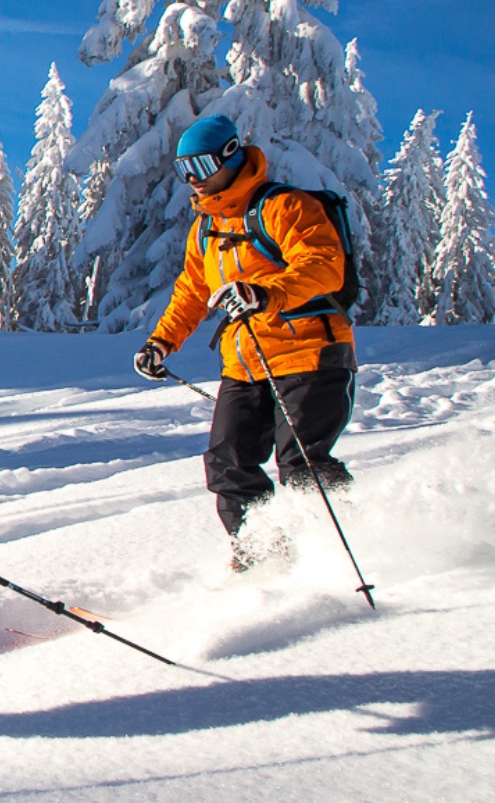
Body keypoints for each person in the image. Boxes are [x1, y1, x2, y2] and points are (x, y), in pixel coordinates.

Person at [132, 114, 357, 570]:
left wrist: (267, 292)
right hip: (245, 363)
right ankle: (262, 557)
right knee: (227, 463)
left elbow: (323, 264)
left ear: (231, 156)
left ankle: (343, 548)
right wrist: (161, 342)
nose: (192, 180)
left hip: (310, 352)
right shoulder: (206, 230)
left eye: (200, 166)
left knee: (302, 464)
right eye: (183, 171)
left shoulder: (283, 207)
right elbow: (192, 293)